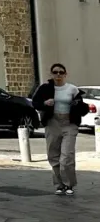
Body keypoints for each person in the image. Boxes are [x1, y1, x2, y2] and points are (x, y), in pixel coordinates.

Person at [31, 63, 89, 195]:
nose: (58, 75)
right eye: (55, 72)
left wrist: (77, 104)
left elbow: (81, 106)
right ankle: (59, 185)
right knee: (53, 155)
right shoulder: (45, 88)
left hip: (69, 123)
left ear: (65, 74)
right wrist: (44, 103)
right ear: (51, 74)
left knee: (67, 156)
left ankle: (69, 185)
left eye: (61, 72)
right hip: (52, 123)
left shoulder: (72, 89)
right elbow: (35, 103)